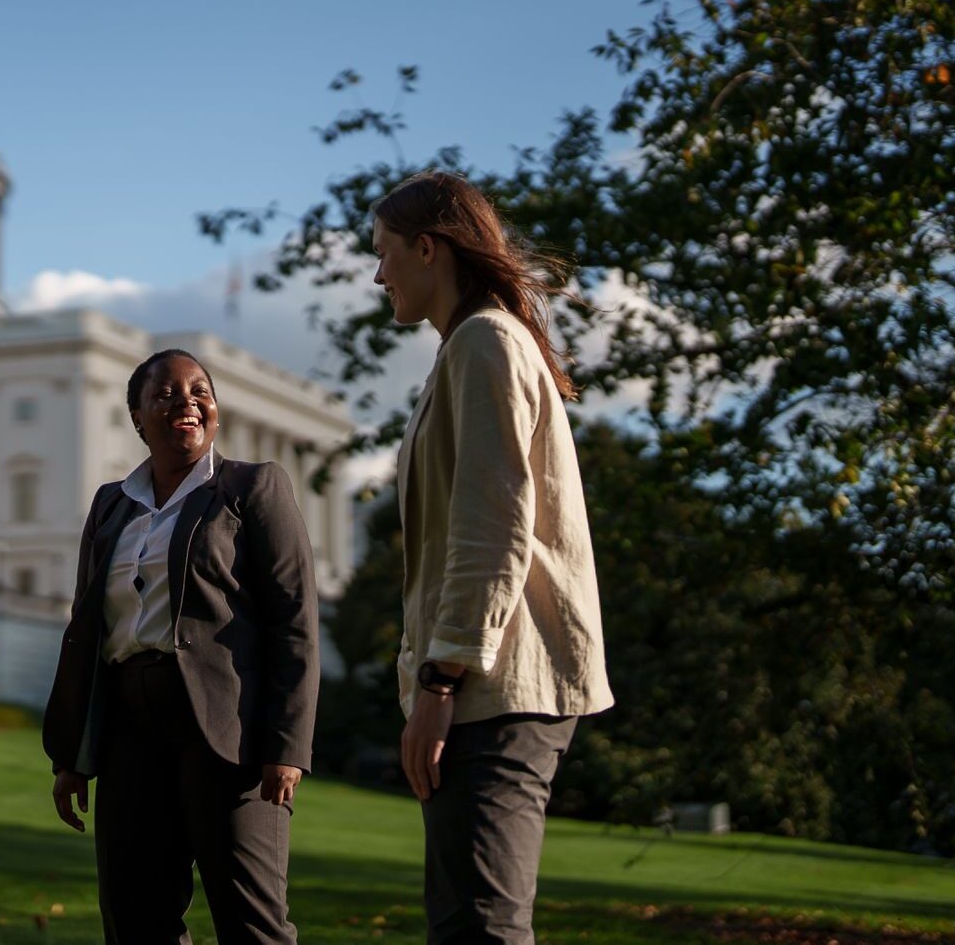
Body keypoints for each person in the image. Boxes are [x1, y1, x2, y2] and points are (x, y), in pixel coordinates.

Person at [374, 172, 615, 945]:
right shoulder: (474, 346)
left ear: (426, 247)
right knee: (467, 923)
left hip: (494, 686)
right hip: (489, 683)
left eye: (383, 254)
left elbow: (493, 525)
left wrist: (441, 679)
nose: (379, 276)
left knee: (481, 927)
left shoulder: (485, 343)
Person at [42, 348, 320, 945]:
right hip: (127, 730)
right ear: (138, 417)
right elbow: (87, 630)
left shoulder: (252, 487)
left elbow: (294, 618)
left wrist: (288, 744)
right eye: (165, 393)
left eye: (200, 391)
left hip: (226, 730)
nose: (186, 401)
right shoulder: (110, 504)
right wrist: (72, 754)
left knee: (251, 922)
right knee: (135, 918)